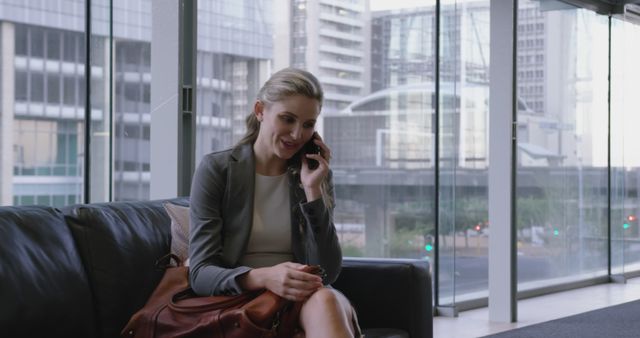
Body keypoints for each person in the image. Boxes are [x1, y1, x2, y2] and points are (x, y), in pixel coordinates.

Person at [189, 67, 359, 338]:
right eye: (287, 119)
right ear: (260, 110)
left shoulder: (313, 174)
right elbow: (200, 273)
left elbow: (327, 272)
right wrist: (266, 276)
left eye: (308, 124)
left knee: (326, 299)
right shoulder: (218, 170)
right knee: (325, 302)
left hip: (300, 298)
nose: (296, 135)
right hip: (240, 296)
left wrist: (313, 190)